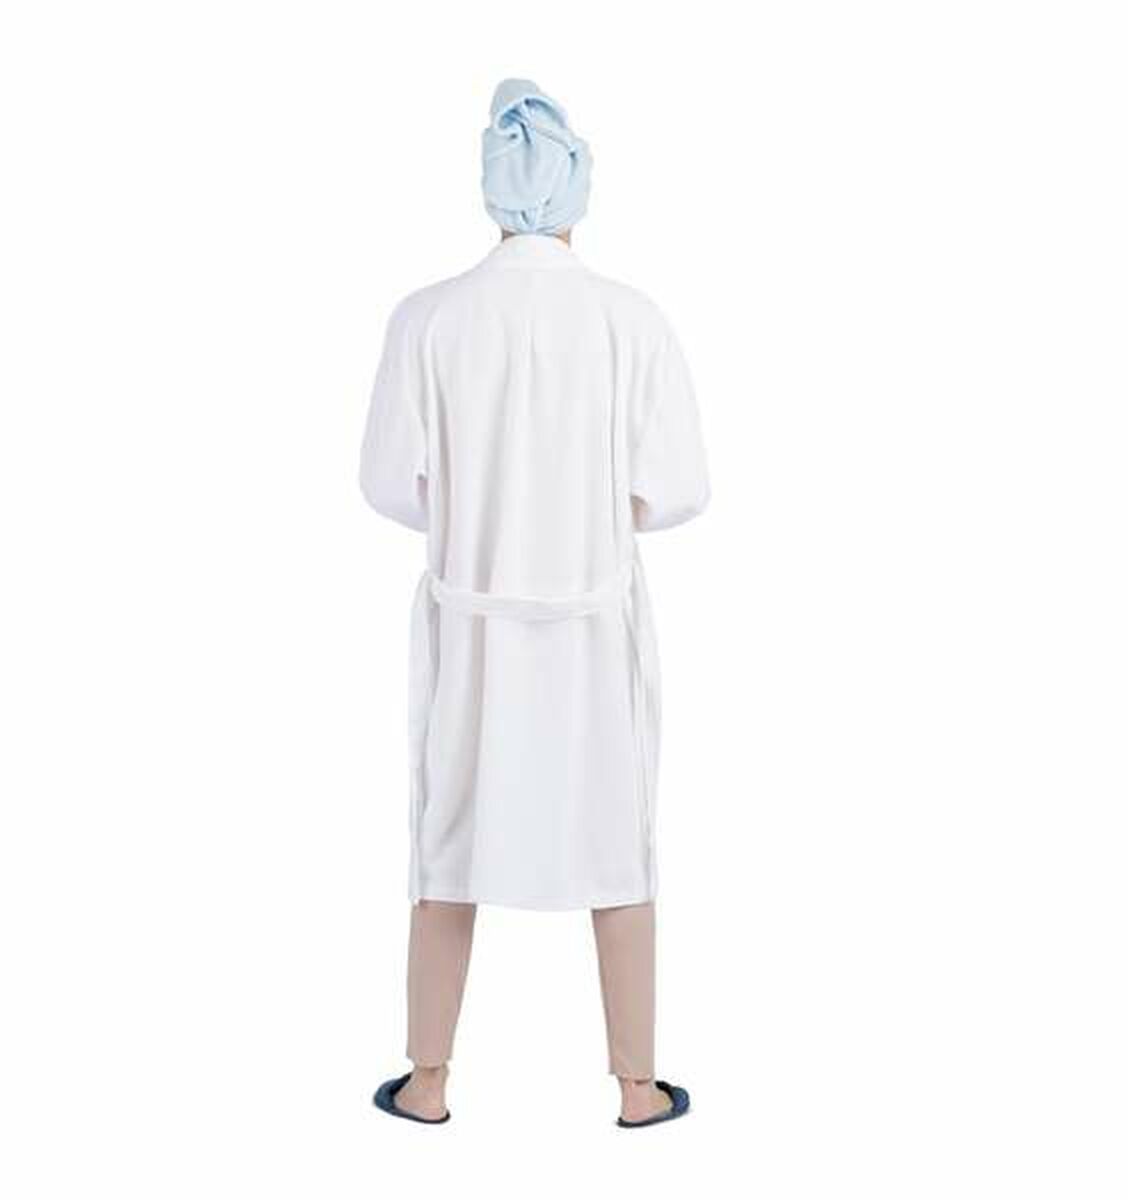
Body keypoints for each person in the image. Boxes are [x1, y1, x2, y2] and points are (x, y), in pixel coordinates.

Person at [361, 79, 710, 1127]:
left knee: (448, 837)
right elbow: (678, 490)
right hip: (592, 633)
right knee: (615, 838)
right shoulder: (630, 320)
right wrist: (588, 522)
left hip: (472, 634)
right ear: (577, 190)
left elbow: (387, 484)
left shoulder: (428, 317)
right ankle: (637, 1088)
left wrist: (476, 524)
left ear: (491, 189)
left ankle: (427, 1081)